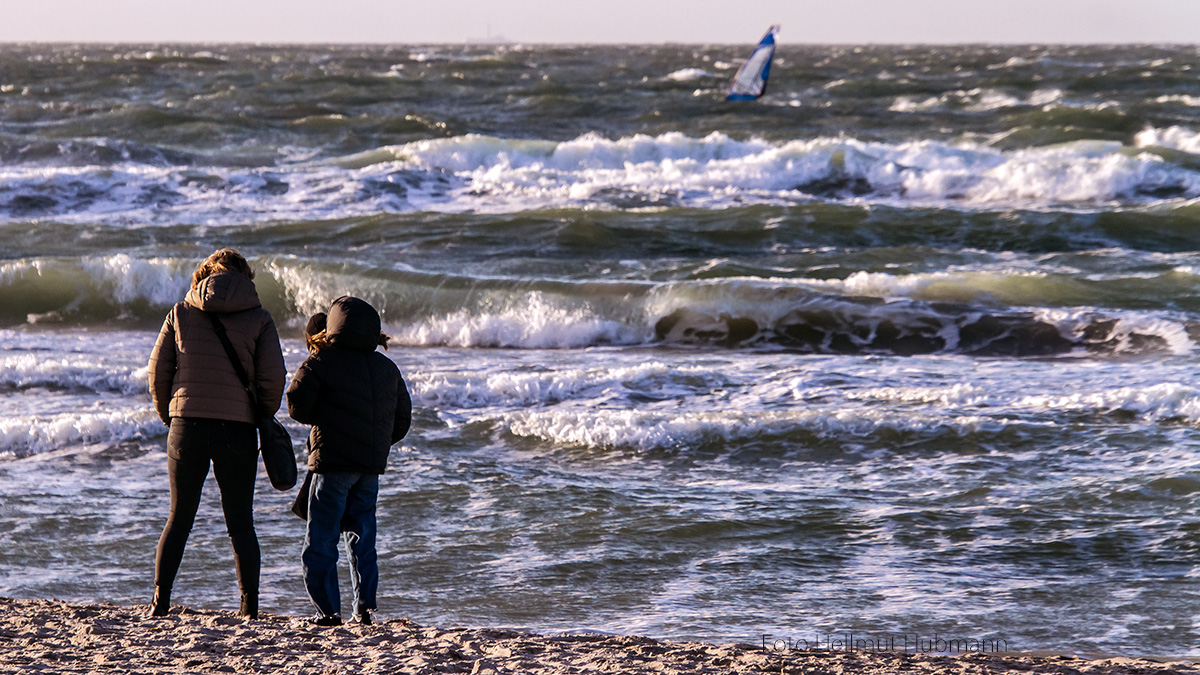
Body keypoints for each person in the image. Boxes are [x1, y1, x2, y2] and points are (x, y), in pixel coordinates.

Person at [147, 248, 287, 620]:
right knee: (240, 521)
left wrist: (171, 416)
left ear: (206, 274)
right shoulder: (259, 318)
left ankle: (160, 601)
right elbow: (273, 379)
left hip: (186, 425)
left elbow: (157, 374)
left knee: (178, 517)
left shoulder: (180, 312)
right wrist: (261, 415)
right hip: (237, 429)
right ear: (246, 278)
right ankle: (249, 607)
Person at [287, 296, 412, 626]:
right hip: (369, 468)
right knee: (363, 539)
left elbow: (296, 404)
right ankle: (364, 609)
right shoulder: (387, 367)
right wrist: (374, 443)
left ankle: (327, 611)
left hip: (332, 464)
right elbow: (402, 419)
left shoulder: (324, 361)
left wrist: (325, 422)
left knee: (322, 540)